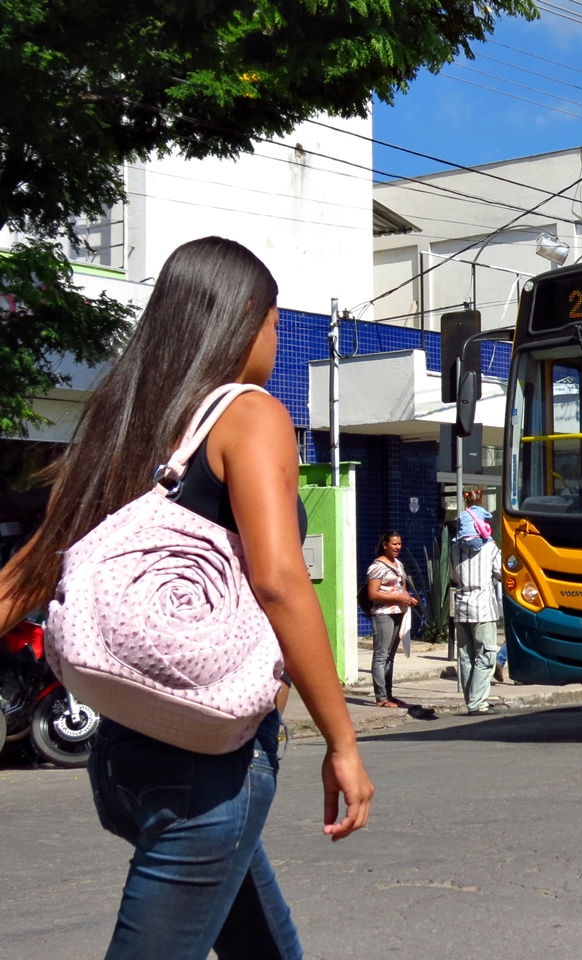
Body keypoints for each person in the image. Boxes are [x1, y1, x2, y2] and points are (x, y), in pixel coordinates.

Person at [0, 237, 373, 959]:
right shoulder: (250, 415)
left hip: (121, 755)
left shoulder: (126, 423)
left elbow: (26, 573)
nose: (275, 343)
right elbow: (279, 580)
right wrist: (343, 742)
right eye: (273, 324)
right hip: (208, 761)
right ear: (245, 318)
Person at [450, 534, 502, 714]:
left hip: (462, 608)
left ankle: (472, 701)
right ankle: (477, 702)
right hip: (483, 609)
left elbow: (453, 576)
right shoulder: (490, 548)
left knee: (466, 656)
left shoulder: (454, 549)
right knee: (486, 655)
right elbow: (501, 573)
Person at [366, 531, 418, 708]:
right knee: (381, 655)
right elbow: (373, 594)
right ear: (385, 545)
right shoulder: (377, 567)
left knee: (390, 656)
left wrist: (407, 598)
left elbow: (402, 587)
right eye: (394, 544)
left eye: (399, 544)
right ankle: (381, 697)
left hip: (398, 613)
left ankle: (389, 694)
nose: (397, 547)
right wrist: (398, 598)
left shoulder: (399, 564)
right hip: (383, 615)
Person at [454, 487, 493, 555]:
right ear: (480, 501)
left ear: (466, 501)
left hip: (462, 543)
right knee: (489, 539)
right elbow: (490, 517)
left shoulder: (462, 513)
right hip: (475, 541)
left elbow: (458, 528)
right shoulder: (481, 510)